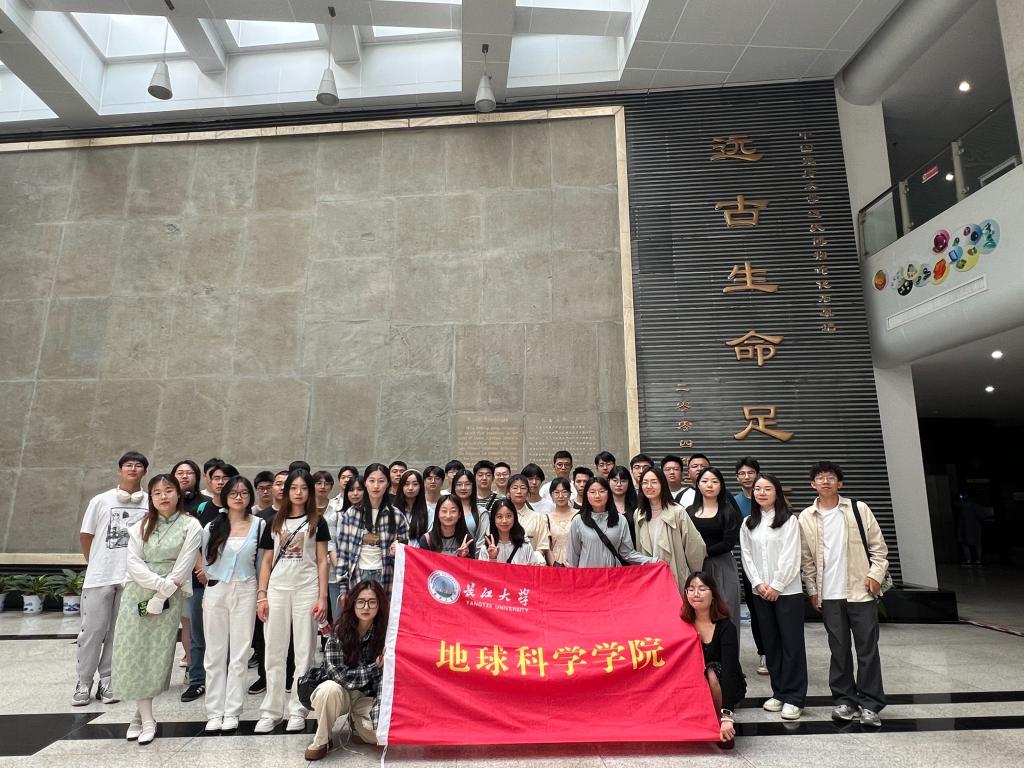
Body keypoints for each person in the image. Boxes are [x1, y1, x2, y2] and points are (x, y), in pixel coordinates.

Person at [110, 473, 202, 745]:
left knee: (154, 655)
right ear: (151, 497)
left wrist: (161, 596)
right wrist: (159, 585)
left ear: (178, 494)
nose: (163, 496)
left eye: (168, 490)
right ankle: (146, 718)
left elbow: (184, 566)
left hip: (169, 598)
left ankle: (142, 716)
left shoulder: (191, 525)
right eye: (157, 493)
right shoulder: (140, 526)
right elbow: (133, 563)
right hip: (137, 594)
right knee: (132, 652)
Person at [800, 461, 888, 727]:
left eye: (830, 477)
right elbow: (807, 560)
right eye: (820, 478)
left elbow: (879, 549)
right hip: (829, 594)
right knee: (838, 650)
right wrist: (812, 590)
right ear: (812, 484)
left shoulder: (858, 509)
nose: (825, 481)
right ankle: (844, 701)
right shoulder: (806, 517)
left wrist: (875, 576)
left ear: (840, 483)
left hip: (860, 592)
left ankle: (870, 704)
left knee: (867, 649)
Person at [254, 469, 331, 734]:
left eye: (304, 488)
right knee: (274, 650)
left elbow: (322, 561)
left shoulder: (317, 521)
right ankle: (271, 711)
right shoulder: (274, 521)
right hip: (277, 589)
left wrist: (322, 596)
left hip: (306, 588)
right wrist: (262, 594)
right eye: (294, 488)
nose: (299, 493)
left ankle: (298, 709)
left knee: (304, 651)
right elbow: (266, 560)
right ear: (287, 491)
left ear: (310, 492)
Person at [73, 451, 150, 707]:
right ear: (120, 470)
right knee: (92, 631)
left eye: (138, 465)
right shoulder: (100, 501)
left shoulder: (150, 502)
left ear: (144, 471)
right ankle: (84, 681)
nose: (133, 469)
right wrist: (96, 562)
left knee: (119, 632)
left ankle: (108, 679)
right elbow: (87, 536)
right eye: (128, 465)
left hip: (132, 578)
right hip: (100, 576)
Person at [741, 473, 807, 721]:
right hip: (760, 593)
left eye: (767, 488)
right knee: (771, 644)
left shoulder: (789, 521)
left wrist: (777, 585)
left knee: (792, 645)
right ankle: (779, 692)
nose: (761, 493)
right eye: (758, 489)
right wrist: (758, 583)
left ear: (777, 492)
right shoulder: (748, 523)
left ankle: (795, 697)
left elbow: (791, 556)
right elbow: (746, 557)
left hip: (787, 592)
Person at [201, 475, 264, 732]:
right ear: (225, 496)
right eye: (234, 493)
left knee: (239, 653)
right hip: (216, 589)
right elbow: (202, 556)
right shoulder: (212, 527)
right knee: (214, 653)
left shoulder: (259, 525)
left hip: (247, 588)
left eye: (244, 493)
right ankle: (214, 711)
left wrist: (261, 593)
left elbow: (262, 561)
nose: (239, 497)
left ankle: (233, 710)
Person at [304, 580, 388, 760]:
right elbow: (339, 676)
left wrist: (379, 716)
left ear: (380, 605)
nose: (366, 607)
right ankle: (322, 740)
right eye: (361, 601)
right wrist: (374, 668)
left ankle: (357, 724)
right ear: (353, 603)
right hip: (339, 692)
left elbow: (385, 681)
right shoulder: (339, 631)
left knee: (380, 735)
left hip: (365, 696)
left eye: (372, 602)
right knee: (328, 690)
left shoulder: (385, 634)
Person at [182, 460, 236, 703]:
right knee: (198, 633)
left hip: (229, 582)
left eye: (226, 478)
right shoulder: (200, 509)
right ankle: (197, 679)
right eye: (216, 478)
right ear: (208, 480)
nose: (221, 482)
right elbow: (191, 544)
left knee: (226, 634)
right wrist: (201, 568)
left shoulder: (239, 510)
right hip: (199, 581)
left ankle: (224, 678)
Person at [680, 571, 745, 750]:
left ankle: (720, 722)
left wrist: (727, 716)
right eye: (691, 589)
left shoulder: (726, 627)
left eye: (702, 589)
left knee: (712, 671)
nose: (696, 594)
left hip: (724, 683)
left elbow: (731, 671)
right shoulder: (682, 623)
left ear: (714, 594)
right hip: (693, 681)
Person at [335, 463, 409, 598]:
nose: (376, 486)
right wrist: (343, 588)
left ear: (388, 484)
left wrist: (396, 551)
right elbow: (343, 552)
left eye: (381, 481)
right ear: (365, 483)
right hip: (357, 574)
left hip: (386, 576)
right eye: (372, 481)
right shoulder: (352, 513)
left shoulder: (397, 516)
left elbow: (405, 553)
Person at [634, 467, 706, 597]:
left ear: (663, 484)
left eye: (654, 482)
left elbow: (694, 545)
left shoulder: (677, 511)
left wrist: (695, 574)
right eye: (645, 482)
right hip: (650, 576)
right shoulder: (639, 513)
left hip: (675, 572)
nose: (649, 486)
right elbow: (639, 549)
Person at [687, 467, 742, 630]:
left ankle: (728, 646)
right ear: (698, 485)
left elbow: (729, 542)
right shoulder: (689, 512)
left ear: (721, 485)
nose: (709, 485)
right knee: (698, 611)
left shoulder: (728, 511)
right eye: (705, 481)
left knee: (726, 608)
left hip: (722, 565)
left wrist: (703, 553)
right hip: (696, 567)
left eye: (714, 481)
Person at [565, 477, 653, 567]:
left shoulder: (620, 520)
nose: (597, 496)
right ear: (586, 495)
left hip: (612, 573)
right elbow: (572, 558)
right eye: (592, 492)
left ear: (608, 494)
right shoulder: (578, 521)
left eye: (601, 491)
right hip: (587, 574)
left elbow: (628, 553)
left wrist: (653, 561)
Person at [733, 457, 767, 675]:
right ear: (737, 477)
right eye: (742, 474)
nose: (747, 477)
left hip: (773, 563)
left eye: (750, 473)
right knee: (756, 610)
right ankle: (764, 652)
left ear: (758, 474)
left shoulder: (768, 497)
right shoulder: (734, 501)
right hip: (749, 564)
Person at [480, 499, 546, 565]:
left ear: (514, 517)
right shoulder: (487, 547)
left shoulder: (525, 545)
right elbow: (481, 571)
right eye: (499, 517)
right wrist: (492, 558)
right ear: (493, 519)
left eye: (508, 516)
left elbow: (532, 570)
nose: (504, 521)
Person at [507, 473, 551, 564]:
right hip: (505, 565)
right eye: (515, 488)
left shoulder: (538, 517)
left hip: (531, 566)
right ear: (508, 492)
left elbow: (543, 546)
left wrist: (531, 560)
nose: (519, 491)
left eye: (523, 488)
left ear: (528, 492)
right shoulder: (500, 516)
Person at [450, 469, 488, 550]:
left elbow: (481, 542)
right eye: (459, 484)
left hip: (472, 555)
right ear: (454, 487)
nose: (463, 488)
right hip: (448, 554)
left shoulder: (482, 512)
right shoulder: (445, 510)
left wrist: (470, 553)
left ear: (473, 486)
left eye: (467, 484)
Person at [546, 477, 576, 566]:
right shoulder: (547, 518)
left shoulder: (578, 516)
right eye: (556, 492)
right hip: (555, 565)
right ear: (551, 495)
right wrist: (555, 565)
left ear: (569, 494)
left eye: (564, 492)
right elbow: (547, 547)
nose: (560, 496)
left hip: (575, 565)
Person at [395, 469, 430, 546]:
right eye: (406, 484)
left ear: (421, 486)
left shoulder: (428, 510)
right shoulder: (394, 511)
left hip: (419, 551)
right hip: (398, 551)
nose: (410, 488)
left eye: (415, 484)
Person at [608, 465, 638, 545]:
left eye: (623, 481)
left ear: (629, 483)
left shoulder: (637, 505)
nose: (619, 484)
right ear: (608, 481)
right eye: (615, 480)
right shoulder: (603, 506)